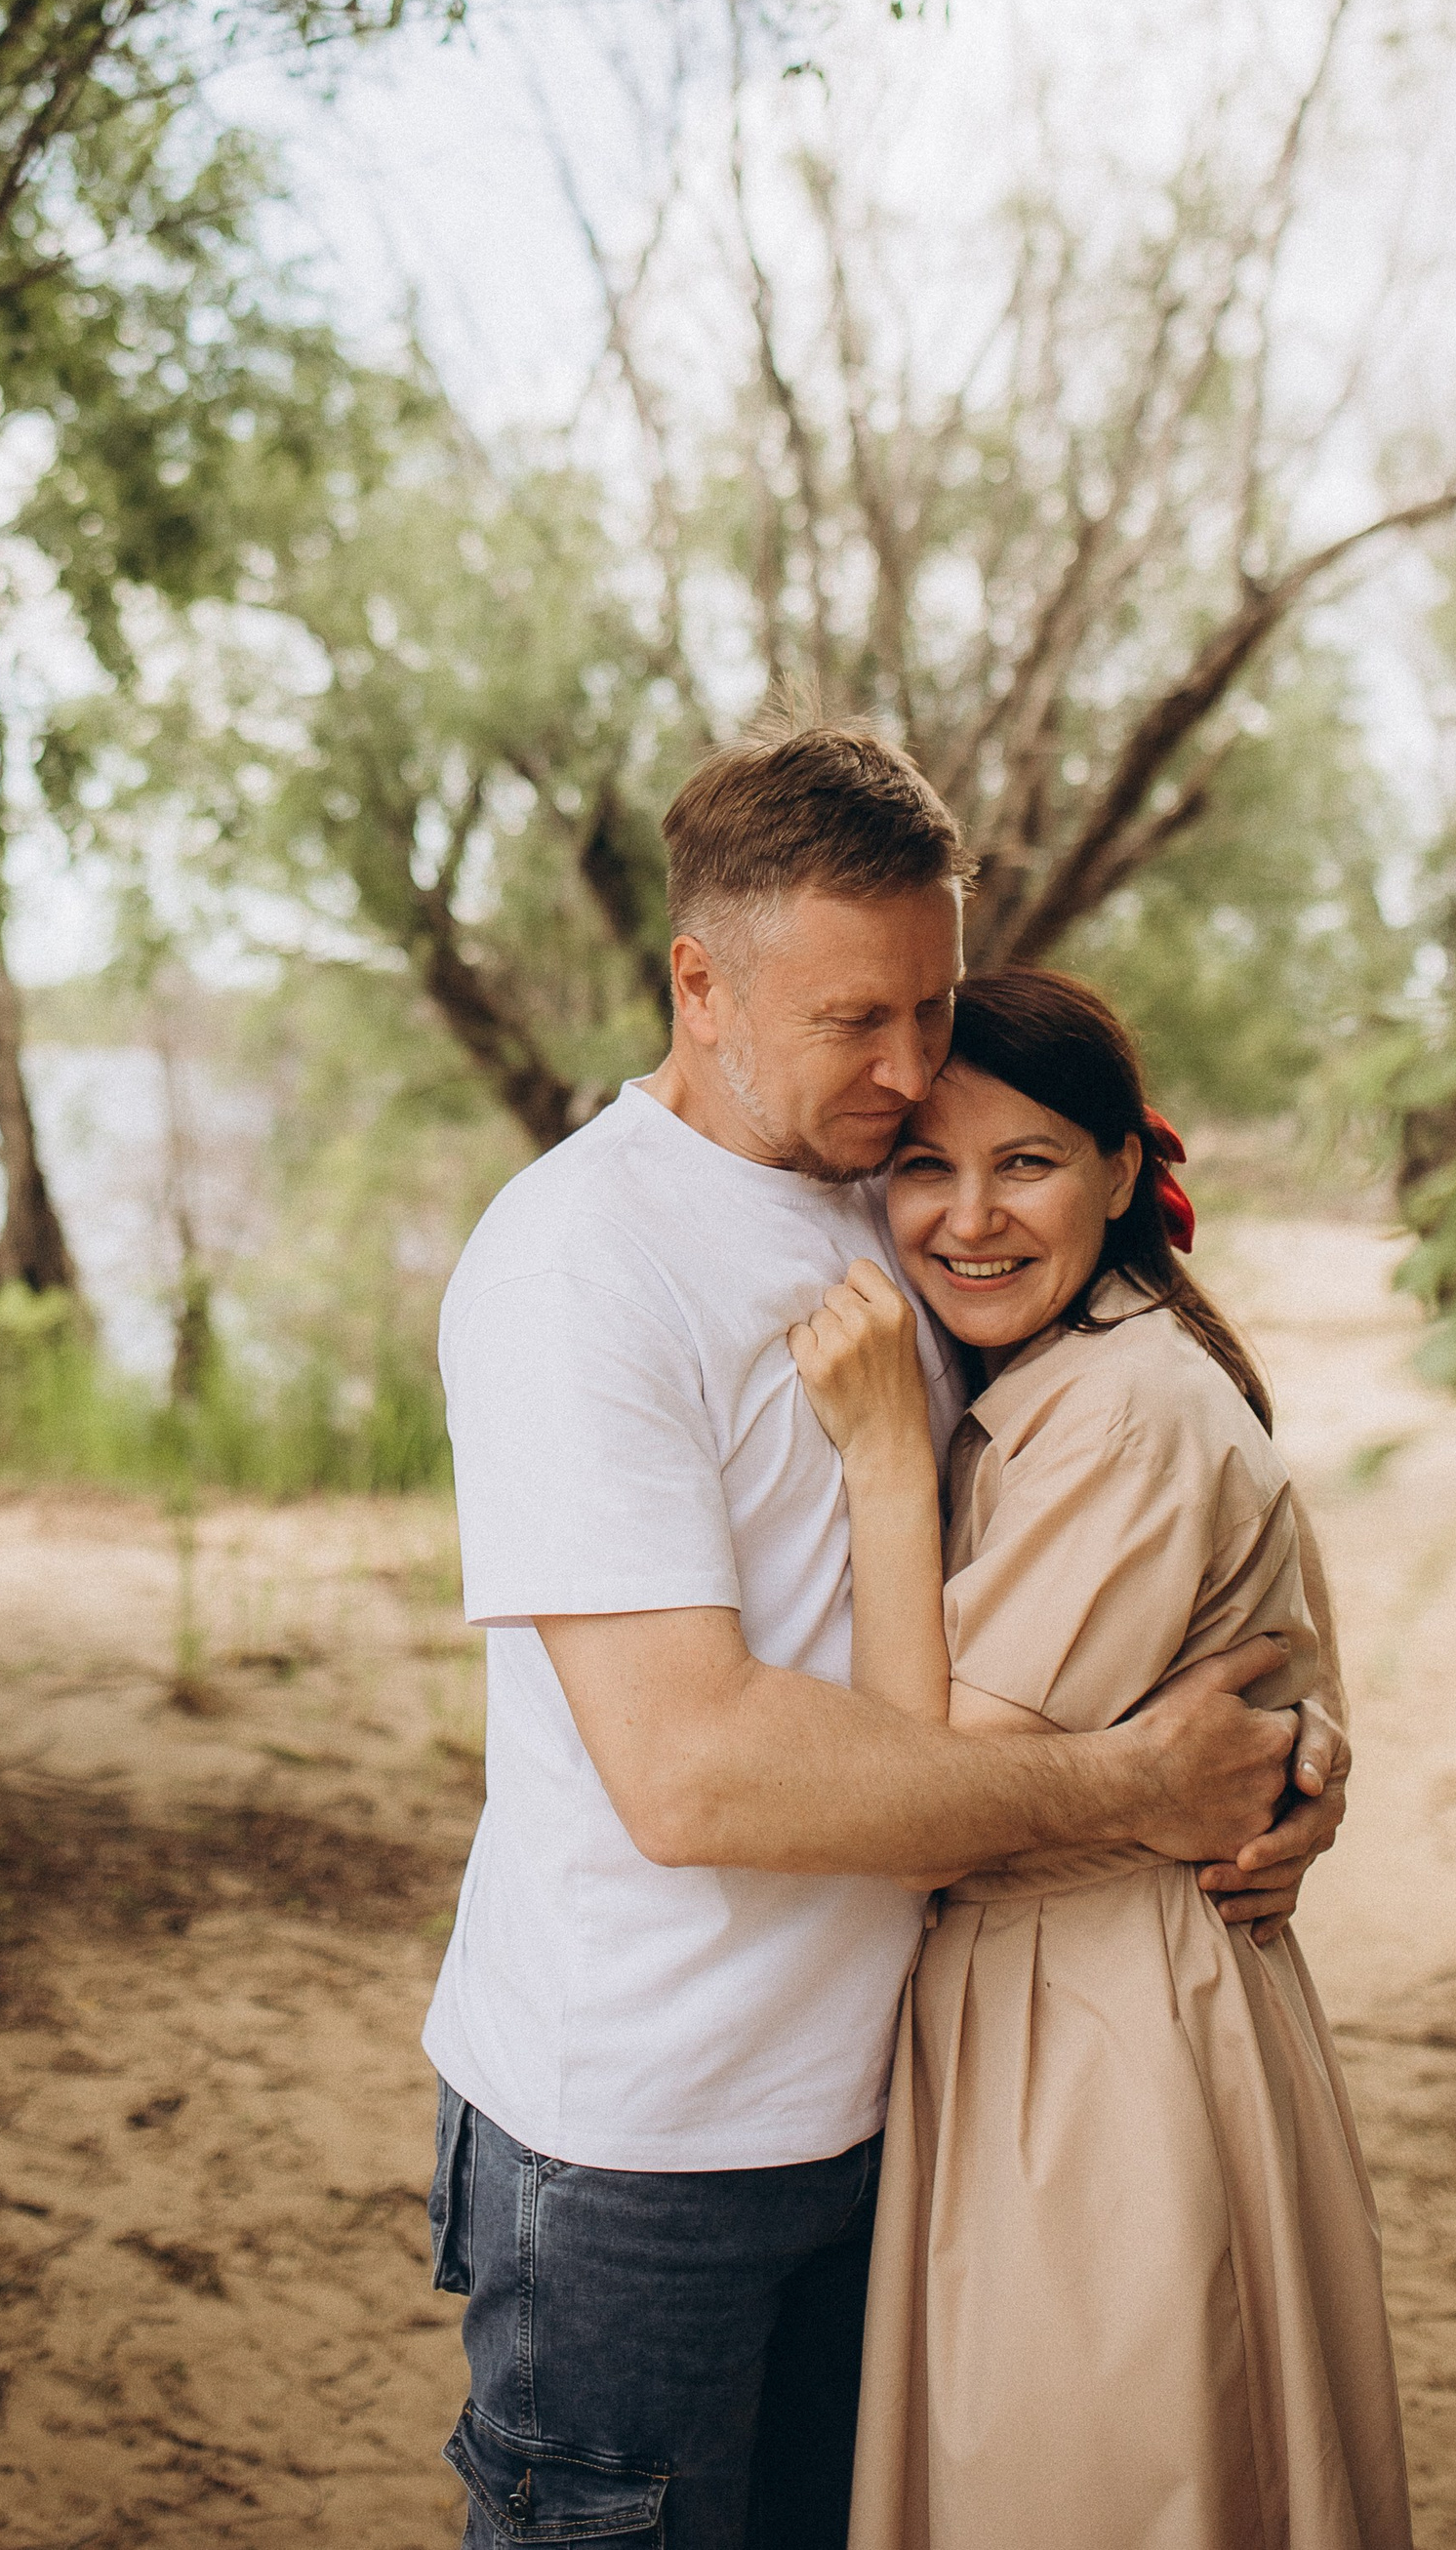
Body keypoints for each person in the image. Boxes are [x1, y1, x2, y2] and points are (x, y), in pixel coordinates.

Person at [422, 724, 1351, 2550]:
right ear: (700, 980)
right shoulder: (572, 1265)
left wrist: (1294, 1749)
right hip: (643, 2135)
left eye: (929, 1005)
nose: (913, 1066)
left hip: (882, 2096)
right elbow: (690, 1771)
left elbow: (1127, 1502)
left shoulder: (901, 1183)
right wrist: (1138, 1787)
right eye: (859, 1018)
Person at [789, 964, 1410, 2550]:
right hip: (1098, 1991)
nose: (969, 1216)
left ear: (1127, 1170)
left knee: (1086, 2474)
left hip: (1098, 2030)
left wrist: (875, 1460)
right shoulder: (1090, 1371)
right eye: (926, 1165)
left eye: (1029, 1160)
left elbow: (928, 1797)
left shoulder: (1124, 1406)